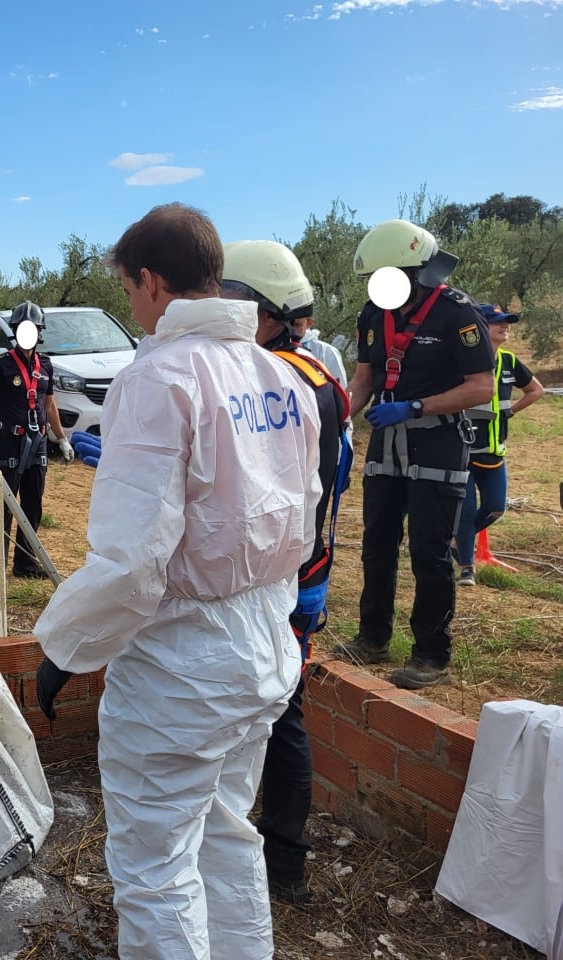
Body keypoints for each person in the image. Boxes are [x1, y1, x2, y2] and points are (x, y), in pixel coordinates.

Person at [33, 204, 320, 959]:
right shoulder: (279, 376)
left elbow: (131, 561)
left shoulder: (157, 378)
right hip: (264, 642)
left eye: (129, 289)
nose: (132, 305)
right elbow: (306, 514)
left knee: (155, 865)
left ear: (152, 282)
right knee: (226, 831)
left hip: (182, 664)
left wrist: (66, 645)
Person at [222, 240, 352, 905]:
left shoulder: (267, 380)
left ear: (266, 311)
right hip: (306, 575)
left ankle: (281, 864)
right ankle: (280, 858)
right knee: (281, 709)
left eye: (230, 299)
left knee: (277, 714)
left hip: (273, 582)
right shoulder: (321, 377)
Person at [330, 219, 494, 689]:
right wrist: (336, 418)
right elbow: (365, 377)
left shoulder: (457, 313)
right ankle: (372, 638)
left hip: (439, 442)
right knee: (377, 544)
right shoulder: (373, 313)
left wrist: (417, 405)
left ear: (418, 272)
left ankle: (430, 656)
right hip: (388, 443)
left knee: (429, 551)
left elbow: (480, 387)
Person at [0, 302, 74, 578]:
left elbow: (49, 405)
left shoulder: (46, 366)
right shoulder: (0, 365)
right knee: (5, 504)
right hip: (9, 443)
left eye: (33, 329)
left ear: (39, 333)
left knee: (33, 503)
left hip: (37, 444)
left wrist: (61, 439)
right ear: (15, 332)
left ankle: (25, 564)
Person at [453, 304, 545, 585]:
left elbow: (536, 390)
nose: (505, 327)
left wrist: (511, 412)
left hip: (495, 452)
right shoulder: (458, 360)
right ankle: (467, 567)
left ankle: (456, 541)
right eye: (497, 322)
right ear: (481, 327)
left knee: (495, 508)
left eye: (507, 322)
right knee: (467, 510)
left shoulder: (509, 361)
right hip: (462, 451)